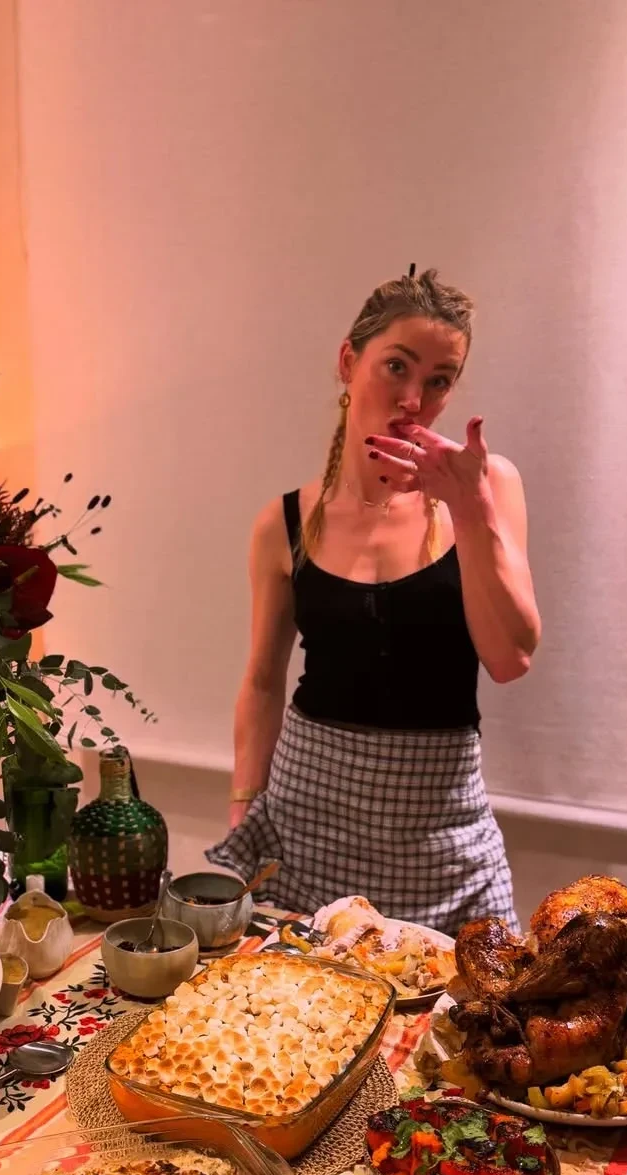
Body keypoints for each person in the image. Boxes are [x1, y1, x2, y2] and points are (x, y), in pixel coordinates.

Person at [207, 268, 540, 933]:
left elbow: (510, 658)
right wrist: (245, 802)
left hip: (440, 844)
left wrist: (469, 510)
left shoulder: (486, 486)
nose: (414, 398)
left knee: (469, 996)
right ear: (347, 362)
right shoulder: (285, 522)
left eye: (439, 380)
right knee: (298, 996)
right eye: (396, 366)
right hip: (306, 829)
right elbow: (264, 680)